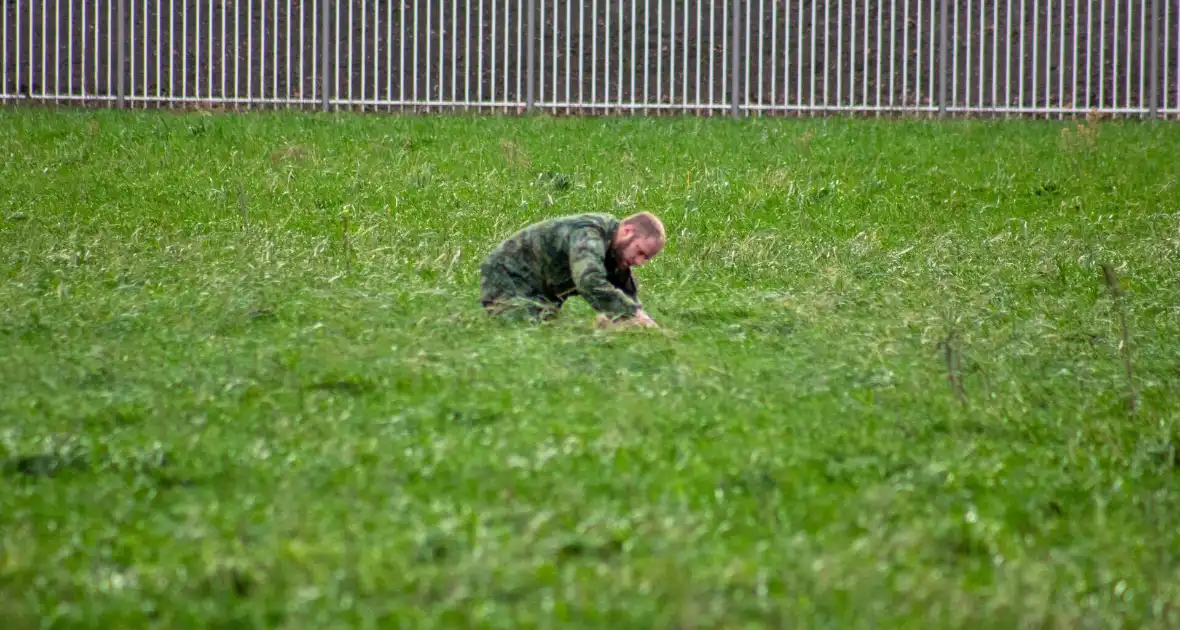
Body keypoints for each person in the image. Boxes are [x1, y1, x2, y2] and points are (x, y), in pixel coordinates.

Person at [479, 211, 665, 327]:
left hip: (542, 290)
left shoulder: (618, 253)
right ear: (627, 231)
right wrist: (630, 313)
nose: (640, 262)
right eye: (640, 252)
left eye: (646, 258)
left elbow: (626, 295)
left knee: (548, 340)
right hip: (507, 275)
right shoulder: (590, 234)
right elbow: (588, 280)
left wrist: (644, 323)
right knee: (522, 335)